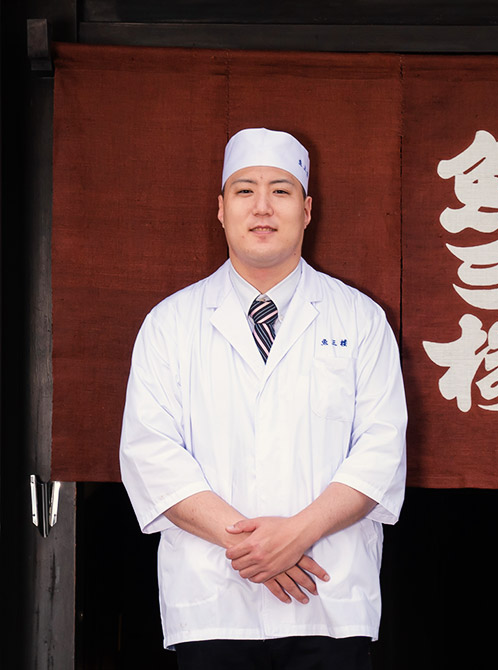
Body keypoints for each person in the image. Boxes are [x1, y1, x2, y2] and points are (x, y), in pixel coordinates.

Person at [119, 128, 407, 669]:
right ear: (221, 209)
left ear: (307, 210)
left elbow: (381, 448)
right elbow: (149, 453)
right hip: (214, 600)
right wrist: (257, 548)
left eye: (281, 190)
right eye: (245, 190)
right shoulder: (170, 324)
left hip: (328, 598)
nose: (262, 207)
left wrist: (297, 535)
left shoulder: (360, 320)